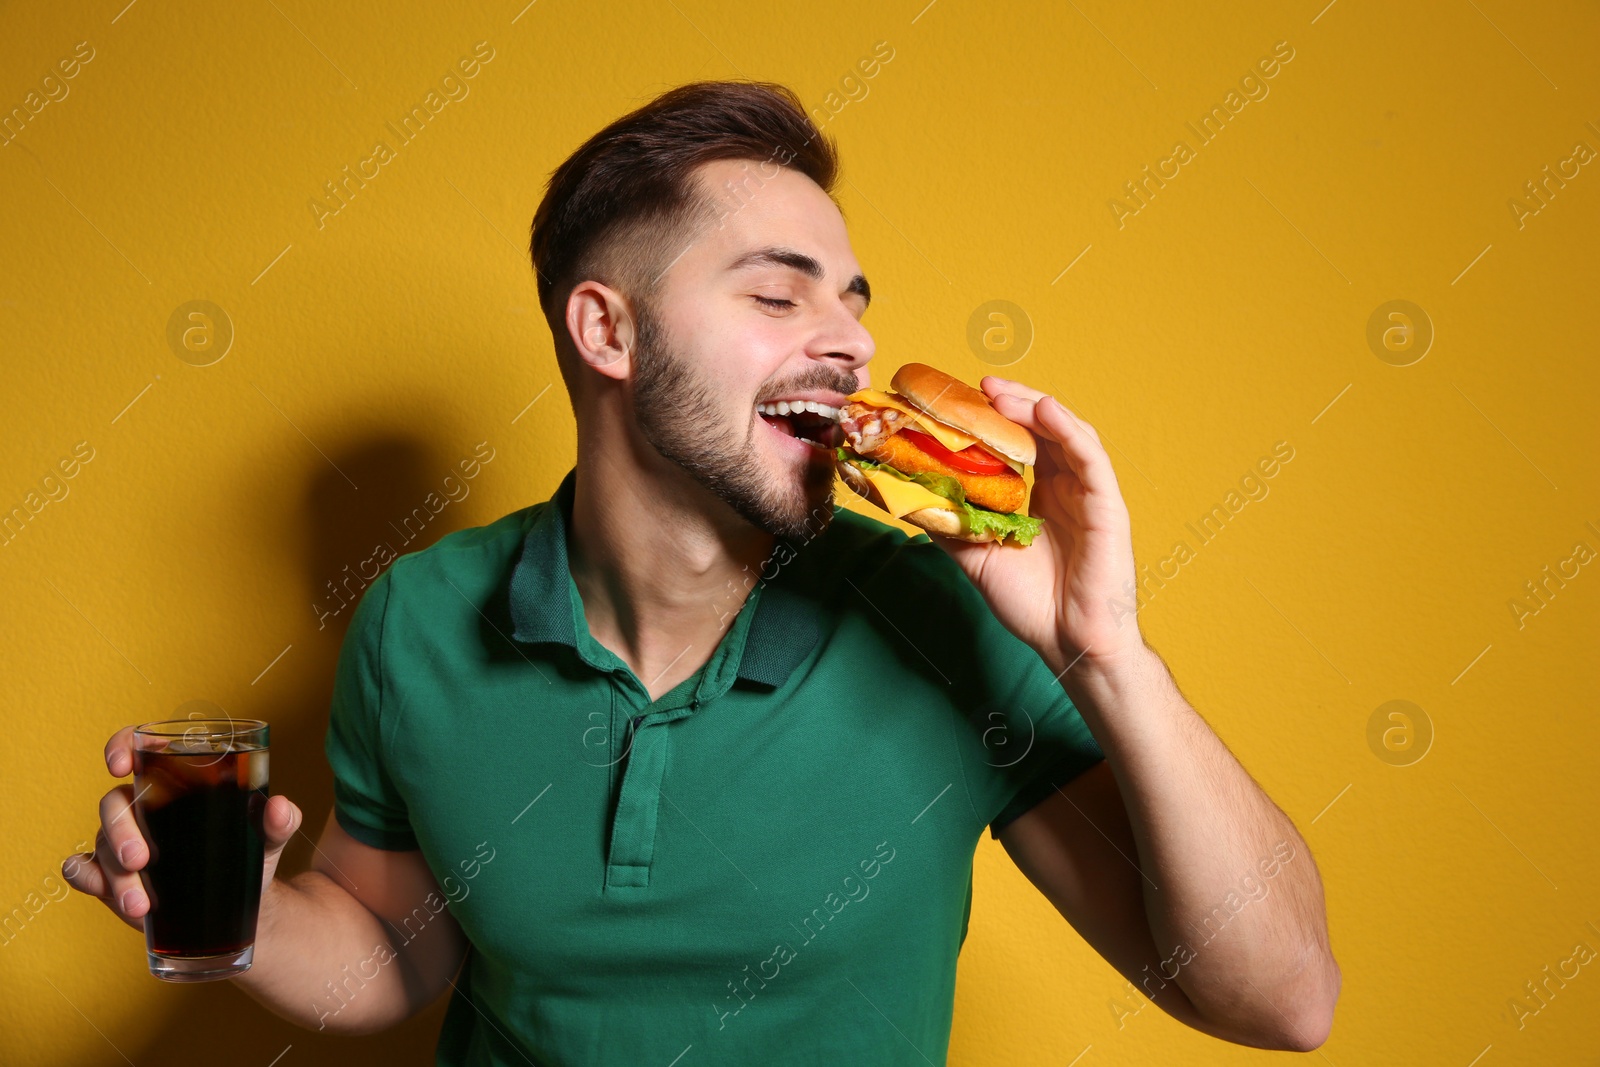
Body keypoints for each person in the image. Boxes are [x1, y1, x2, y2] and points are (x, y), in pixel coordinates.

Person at [65, 80, 1339, 1063]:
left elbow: (1282, 998)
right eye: (780, 299)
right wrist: (226, 917)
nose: (851, 344)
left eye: (851, 300)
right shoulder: (423, 616)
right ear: (606, 328)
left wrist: (1104, 649)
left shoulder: (931, 615)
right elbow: (390, 946)